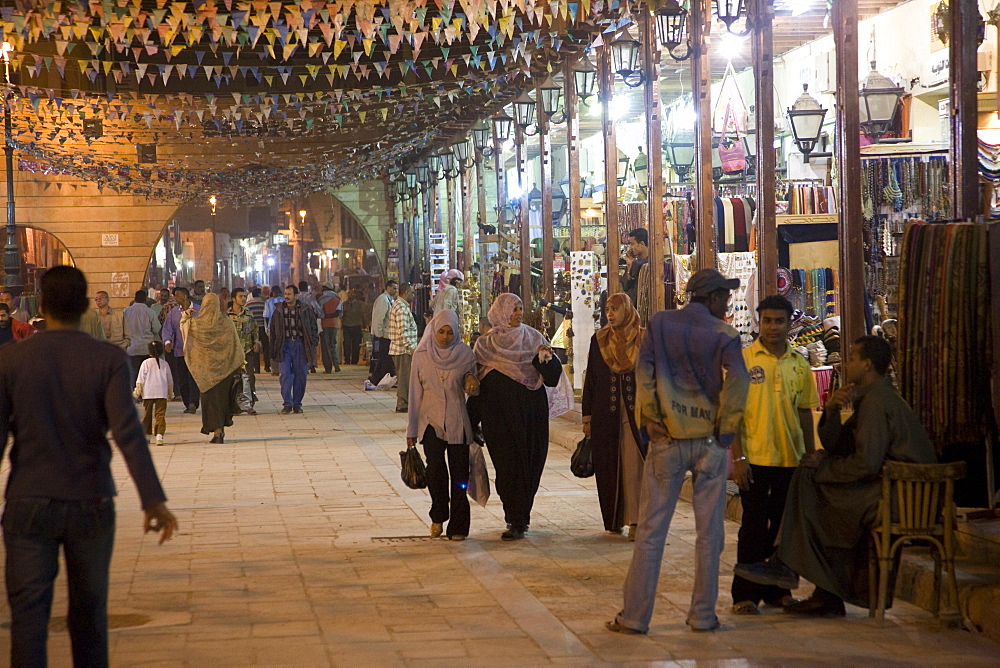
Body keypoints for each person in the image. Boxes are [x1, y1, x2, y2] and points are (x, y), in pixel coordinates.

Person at [0, 265, 177, 667]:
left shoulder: (10, 359)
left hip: (28, 500)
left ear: (41, 306)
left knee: (28, 618)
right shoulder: (107, 359)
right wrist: (153, 501)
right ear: (85, 308)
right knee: (89, 616)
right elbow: (129, 433)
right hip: (90, 499)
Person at [734, 336, 937, 617]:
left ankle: (799, 573)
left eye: (852, 357)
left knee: (815, 497)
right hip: (885, 488)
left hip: (902, 497)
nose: (846, 361)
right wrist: (830, 411)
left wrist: (824, 468)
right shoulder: (868, 396)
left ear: (867, 364)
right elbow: (838, 446)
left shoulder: (876, 402)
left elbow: (865, 463)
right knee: (808, 481)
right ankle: (806, 580)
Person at [607, 268, 750, 635]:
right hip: (709, 442)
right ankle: (703, 615)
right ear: (714, 297)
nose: (728, 303)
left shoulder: (660, 323)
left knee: (651, 531)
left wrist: (651, 418)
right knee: (709, 534)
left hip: (666, 439)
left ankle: (635, 617)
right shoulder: (725, 334)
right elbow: (738, 379)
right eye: (726, 297)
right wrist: (727, 429)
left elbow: (645, 370)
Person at [729, 295, 819, 616]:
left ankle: (778, 593)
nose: (773, 327)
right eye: (767, 321)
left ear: (789, 323)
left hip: (791, 461)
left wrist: (810, 454)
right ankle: (744, 595)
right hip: (754, 460)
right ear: (758, 322)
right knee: (752, 527)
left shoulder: (799, 362)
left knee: (784, 531)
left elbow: (806, 412)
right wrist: (737, 458)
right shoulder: (743, 360)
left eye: (779, 321)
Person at [469, 293, 563, 541]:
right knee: (507, 468)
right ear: (501, 312)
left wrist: (545, 359)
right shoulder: (485, 345)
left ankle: (523, 516)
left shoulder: (534, 339)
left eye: (521, 308)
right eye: (513, 309)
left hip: (532, 416)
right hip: (498, 419)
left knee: (530, 466)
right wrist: (471, 421)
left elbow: (552, 378)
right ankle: (514, 518)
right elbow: (478, 386)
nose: (518, 313)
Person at [407, 310, 479, 540]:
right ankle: (438, 514)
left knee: (459, 476)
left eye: (450, 332)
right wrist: (411, 429)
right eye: (441, 331)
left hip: (458, 420)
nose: (445, 337)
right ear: (433, 330)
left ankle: (458, 526)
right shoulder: (421, 356)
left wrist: (471, 380)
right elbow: (414, 394)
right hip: (430, 422)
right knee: (436, 471)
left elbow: (475, 386)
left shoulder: (466, 355)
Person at [582, 293, 646, 540]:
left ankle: (636, 521)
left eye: (616, 309)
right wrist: (587, 417)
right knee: (609, 467)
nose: (610, 313)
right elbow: (592, 381)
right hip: (604, 415)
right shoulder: (599, 340)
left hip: (636, 414)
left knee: (634, 467)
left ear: (627, 310)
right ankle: (614, 519)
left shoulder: (644, 337)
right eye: (608, 309)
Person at [182, 293, 244, 443]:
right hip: (224, 371)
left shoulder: (196, 324)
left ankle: (217, 432)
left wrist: (185, 315)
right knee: (222, 401)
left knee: (211, 402)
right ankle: (220, 430)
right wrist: (240, 363)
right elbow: (235, 344)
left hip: (205, 373)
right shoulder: (226, 323)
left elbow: (184, 328)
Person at [270, 284, 319, 414]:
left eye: (289, 294)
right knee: (285, 374)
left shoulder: (305, 309)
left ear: (296, 295)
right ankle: (287, 403)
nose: (286, 296)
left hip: (300, 345)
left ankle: (297, 403)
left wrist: (313, 341)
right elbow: (273, 330)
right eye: (285, 294)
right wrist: (273, 347)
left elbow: (313, 327)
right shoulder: (279, 311)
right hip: (284, 345)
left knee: (301, 375)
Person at [161, 286, 201, 414]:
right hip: (180, 350)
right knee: (182, 378)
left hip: (196, 351)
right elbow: (168, 329)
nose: (175, 298)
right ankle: (187, 402)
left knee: (193, 377)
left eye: (177, 295)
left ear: (185, 296)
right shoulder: (174, 313)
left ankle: (193, 402)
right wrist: (168, 342)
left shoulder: (199, 310)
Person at [387, 283, 419, 413]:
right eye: (412, 293)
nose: (413, 295)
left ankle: (405, 402)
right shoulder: (401, 308)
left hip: (402, 349)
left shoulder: (401, 306)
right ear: (405, 293)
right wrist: (411, 347)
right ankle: (402, 403)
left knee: (405, 377)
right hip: (402, 350)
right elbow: (403, 330)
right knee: (405, 378)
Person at [228, 287, 261, 415]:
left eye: (244, 296)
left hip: (247, 352)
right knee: (234, 379)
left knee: (249, 378)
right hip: (232, 354)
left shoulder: (248, 314)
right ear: (233, 299)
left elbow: (254, 329)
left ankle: (249, 405)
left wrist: (257, 341)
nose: (243, 299)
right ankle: (235, 405)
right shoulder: (227, 316)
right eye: (240, 296)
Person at [134, 340, 173, 446]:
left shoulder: (145, 363)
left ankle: (146, 435)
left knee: (147, 414)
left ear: (149, 351)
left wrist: (137, 393)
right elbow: (170, 381)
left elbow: (140, 380)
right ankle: (159, 436)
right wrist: (170, 394)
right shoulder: (165, 364)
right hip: (162, 392)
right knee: (160, 414)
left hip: (148, 393)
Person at [124, 289, 161, 392]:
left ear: (134, 298)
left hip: (131, 347)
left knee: (134, 372)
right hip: (147, 347)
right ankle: (146, 393)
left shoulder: (126, 311)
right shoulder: (150, 312)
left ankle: (135, 393)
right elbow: (156, 328)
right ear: (146, 299)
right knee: (147, 373)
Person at [368, 280, 398, 387]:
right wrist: (379, 334)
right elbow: (379, 319)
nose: (395, 290)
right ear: (387, 287)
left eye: (396, 288)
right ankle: (387, 378)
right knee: (385, 358)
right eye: (394, 288)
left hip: (388, 334)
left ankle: (375, 379)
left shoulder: (390, 300)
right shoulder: (383, 300)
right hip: (383, 335)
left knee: (383, 358)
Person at [620, 228, 649, 310]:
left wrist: (631, 265)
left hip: (641, 307)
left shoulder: (641, 264)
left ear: (641, 244)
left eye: (632, 244)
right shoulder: (634, 262)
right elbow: (625, 286)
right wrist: (629, 266)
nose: (630, 248)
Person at [318, 283, 342, 373]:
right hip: (334, 324)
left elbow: (319, 312)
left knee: (325, 347)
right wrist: (331, 316)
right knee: (333, 345)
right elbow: (339, 312)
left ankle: (328, 368)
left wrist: (326, 316)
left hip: (324, 325)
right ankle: (336, 365)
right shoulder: (337, 299)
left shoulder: (321, 299)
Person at [246, 287, 270, 373]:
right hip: (263, 328)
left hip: (253, 329)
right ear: (259, 294)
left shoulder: (248, 304)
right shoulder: (264, 303)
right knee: (266, 347)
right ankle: (267, 366)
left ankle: (257, 368)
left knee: (255, 348)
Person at [341, 288, 365, 365]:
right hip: (347, 326)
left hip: (357, 326)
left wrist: (364, 325)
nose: (351, 295)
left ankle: (355, 360)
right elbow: (342, 315)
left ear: (355, 295)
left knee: (356, 344)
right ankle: (347, 359)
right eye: (349, 293)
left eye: (352, 293)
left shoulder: (360, 304)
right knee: (347, 344)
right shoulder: (344, 304)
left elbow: (363, 315)